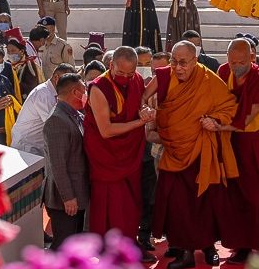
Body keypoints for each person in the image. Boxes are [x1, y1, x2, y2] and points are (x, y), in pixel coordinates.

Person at [147, 41, 238, 269]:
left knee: (204, 201)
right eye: (174, 61)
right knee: (177, 204)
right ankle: (184, 251)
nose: (178, 67)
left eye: (183, 63)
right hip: (173, 149)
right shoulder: (164, 76)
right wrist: (146, 112)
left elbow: (230, 105)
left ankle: (208, 247)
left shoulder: (208, 79)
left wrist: (215, 120)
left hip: (200, 150)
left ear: (195, 61)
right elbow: (142, 97)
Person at [215, 38, 259, 262]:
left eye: (241, 62)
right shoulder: (223, 71)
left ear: (252, 58)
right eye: (232, 61)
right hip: (233, 141)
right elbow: (218, 101)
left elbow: (247, 117)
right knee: (235, 193)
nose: (236, 66)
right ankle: (241, 245)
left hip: (257, 141)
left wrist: (218, 125)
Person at [84, 47, 154, 255]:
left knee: (131, 204)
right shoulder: (98, 88)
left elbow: (139, 101)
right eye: (120, 73)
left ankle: (128, 248)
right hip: (106, 156)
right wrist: (139, 122)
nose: (125, 78)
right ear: (111, 65)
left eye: (129, 74)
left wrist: (144, 109)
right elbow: (106, 131)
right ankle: (106, 252)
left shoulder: (137, 79)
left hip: (130, 153)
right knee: (108, 205)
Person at [41, 74, 90, 248]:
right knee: (63, 246)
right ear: (75, 92)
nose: (86, 96)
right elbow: (58, 165)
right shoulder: (57, 121)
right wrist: (68, 197)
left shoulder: (74, 115)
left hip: (77, 194)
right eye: (84, 92)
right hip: (65, 201)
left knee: (74, 245)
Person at [11, 63, 76, 156]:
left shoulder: (54, 92)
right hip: (27, 146)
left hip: (37, 145)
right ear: (56, 77)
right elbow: (55, 124)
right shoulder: (43, 94)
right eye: (66, 81)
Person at [6, 37, 44, 104]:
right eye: (8, 51)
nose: (10, 54)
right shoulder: (7, 65)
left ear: (22, 51)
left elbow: (31, 87)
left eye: (13, 51)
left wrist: (12, 85)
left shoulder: (30, 66)